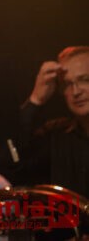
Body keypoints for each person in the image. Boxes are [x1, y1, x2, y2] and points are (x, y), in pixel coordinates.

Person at [14, 45, 89, 196]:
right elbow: (11, 155)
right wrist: (36, 100)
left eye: (85, 80)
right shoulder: (55, 134)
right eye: (67, 84)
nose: (76, 91)